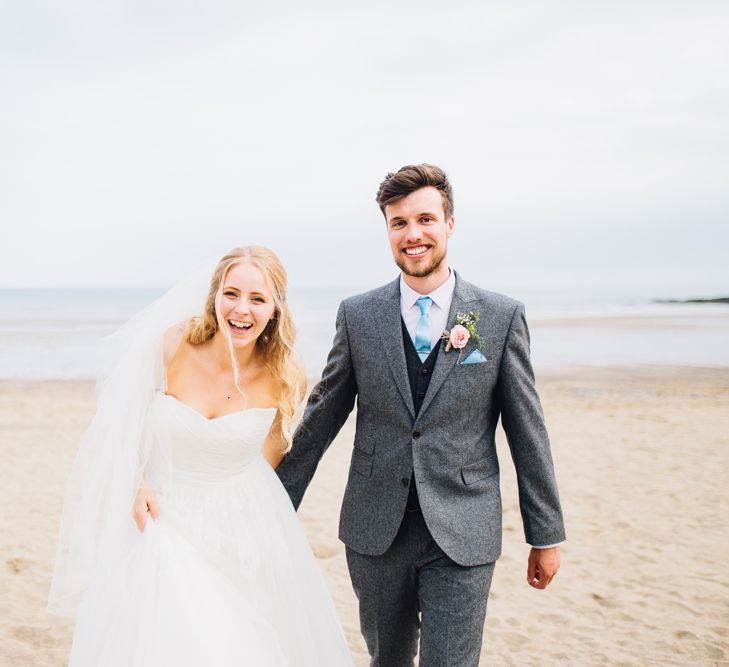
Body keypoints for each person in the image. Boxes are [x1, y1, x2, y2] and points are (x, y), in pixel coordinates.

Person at [276, 164, 567, 666]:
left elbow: (527, 431)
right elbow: (323, 415)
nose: (413, 234)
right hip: (375, 530)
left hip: (463, 529)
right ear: (387, 230)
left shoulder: (499, 317)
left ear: (449, 224)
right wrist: (272, 505)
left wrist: (546, 534)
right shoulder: (358, 315)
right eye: (398, 222)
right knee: (387, 659)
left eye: (425, 219)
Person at [49, 246, 353, 666]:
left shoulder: (286, 376)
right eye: (231, 293)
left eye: (258, 299)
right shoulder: (172, 346)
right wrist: (137, 483)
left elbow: (269, 461)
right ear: (214, 296)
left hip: (241, 522)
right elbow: (128, 423)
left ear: (275, 309)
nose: (241, 309)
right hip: (161, 512)